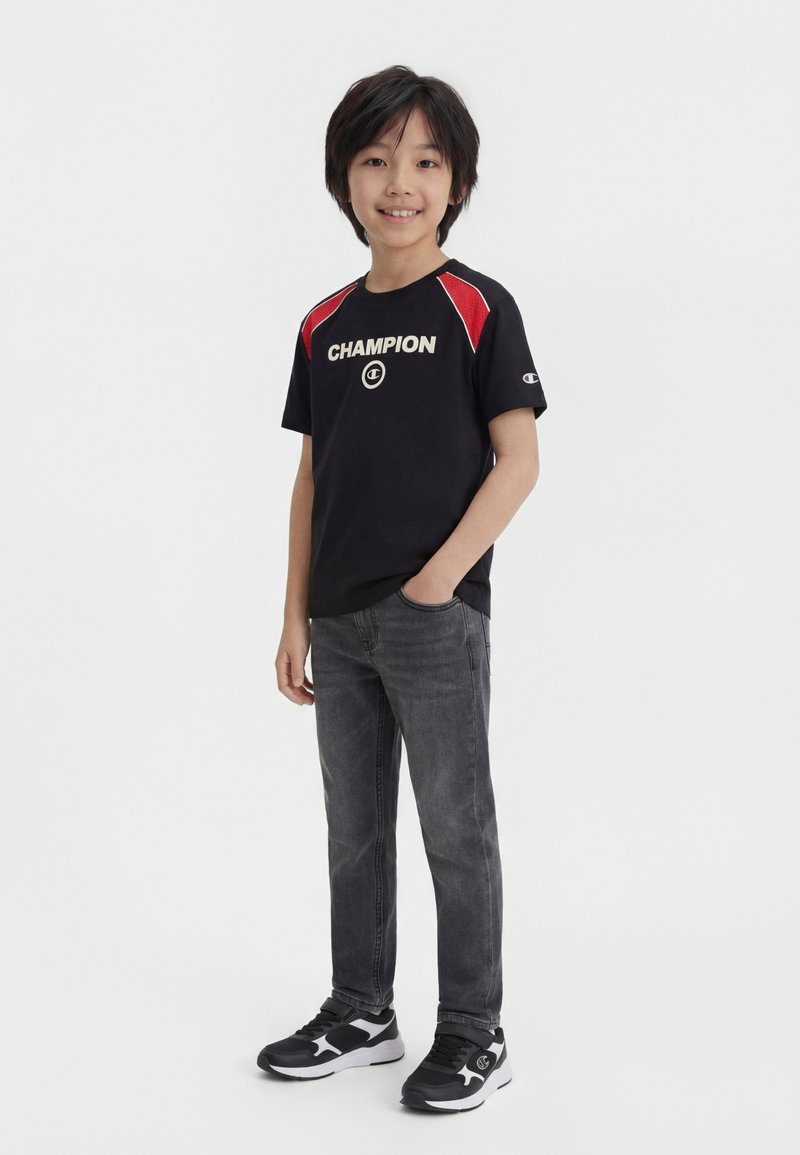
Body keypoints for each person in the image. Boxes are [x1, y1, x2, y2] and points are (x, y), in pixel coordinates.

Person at [257, 64, 548, 1113]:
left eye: (425, 162)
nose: (399, 183)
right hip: (337, 623)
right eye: (377, 160)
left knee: (454, 830)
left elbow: (518, 460)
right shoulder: (322, 324)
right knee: (354, 829)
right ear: (344, 178)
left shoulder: (477, 306)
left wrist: (440, 576)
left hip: (433, 620)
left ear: (455, 183)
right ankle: (361, 1010)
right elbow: (312, 477)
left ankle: (473, 1030)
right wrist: (293, 615)